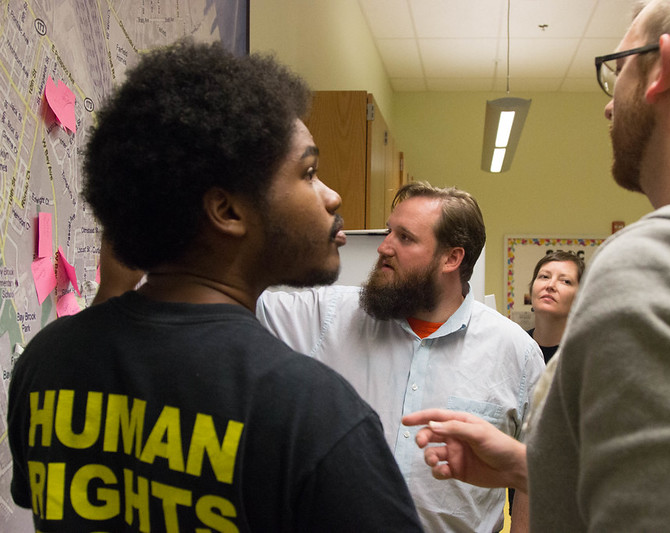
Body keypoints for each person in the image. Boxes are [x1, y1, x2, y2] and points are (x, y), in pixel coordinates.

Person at [404, 0, 670, 530]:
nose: (608, 106)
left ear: (661, 70)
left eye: (616, 71)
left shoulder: (662, 272)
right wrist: (533, 466)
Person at [7, 40, 423, 532]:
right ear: (227, 211)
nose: (331, 195)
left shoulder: (48, 359)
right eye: (308, 173)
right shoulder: (313, 413)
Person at [256, 181, 545, 533]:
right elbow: (227, 298)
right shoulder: (329, 314)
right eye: (389, 231)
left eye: (405, 238)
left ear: (452, 258)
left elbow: (536, 476)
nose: (384, 247)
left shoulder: (516, 352)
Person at [524, 250, 584, 363]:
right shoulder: (516, 345)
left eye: (565, 281)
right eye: (544, 276)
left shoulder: (588, 354)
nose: (550, 285)